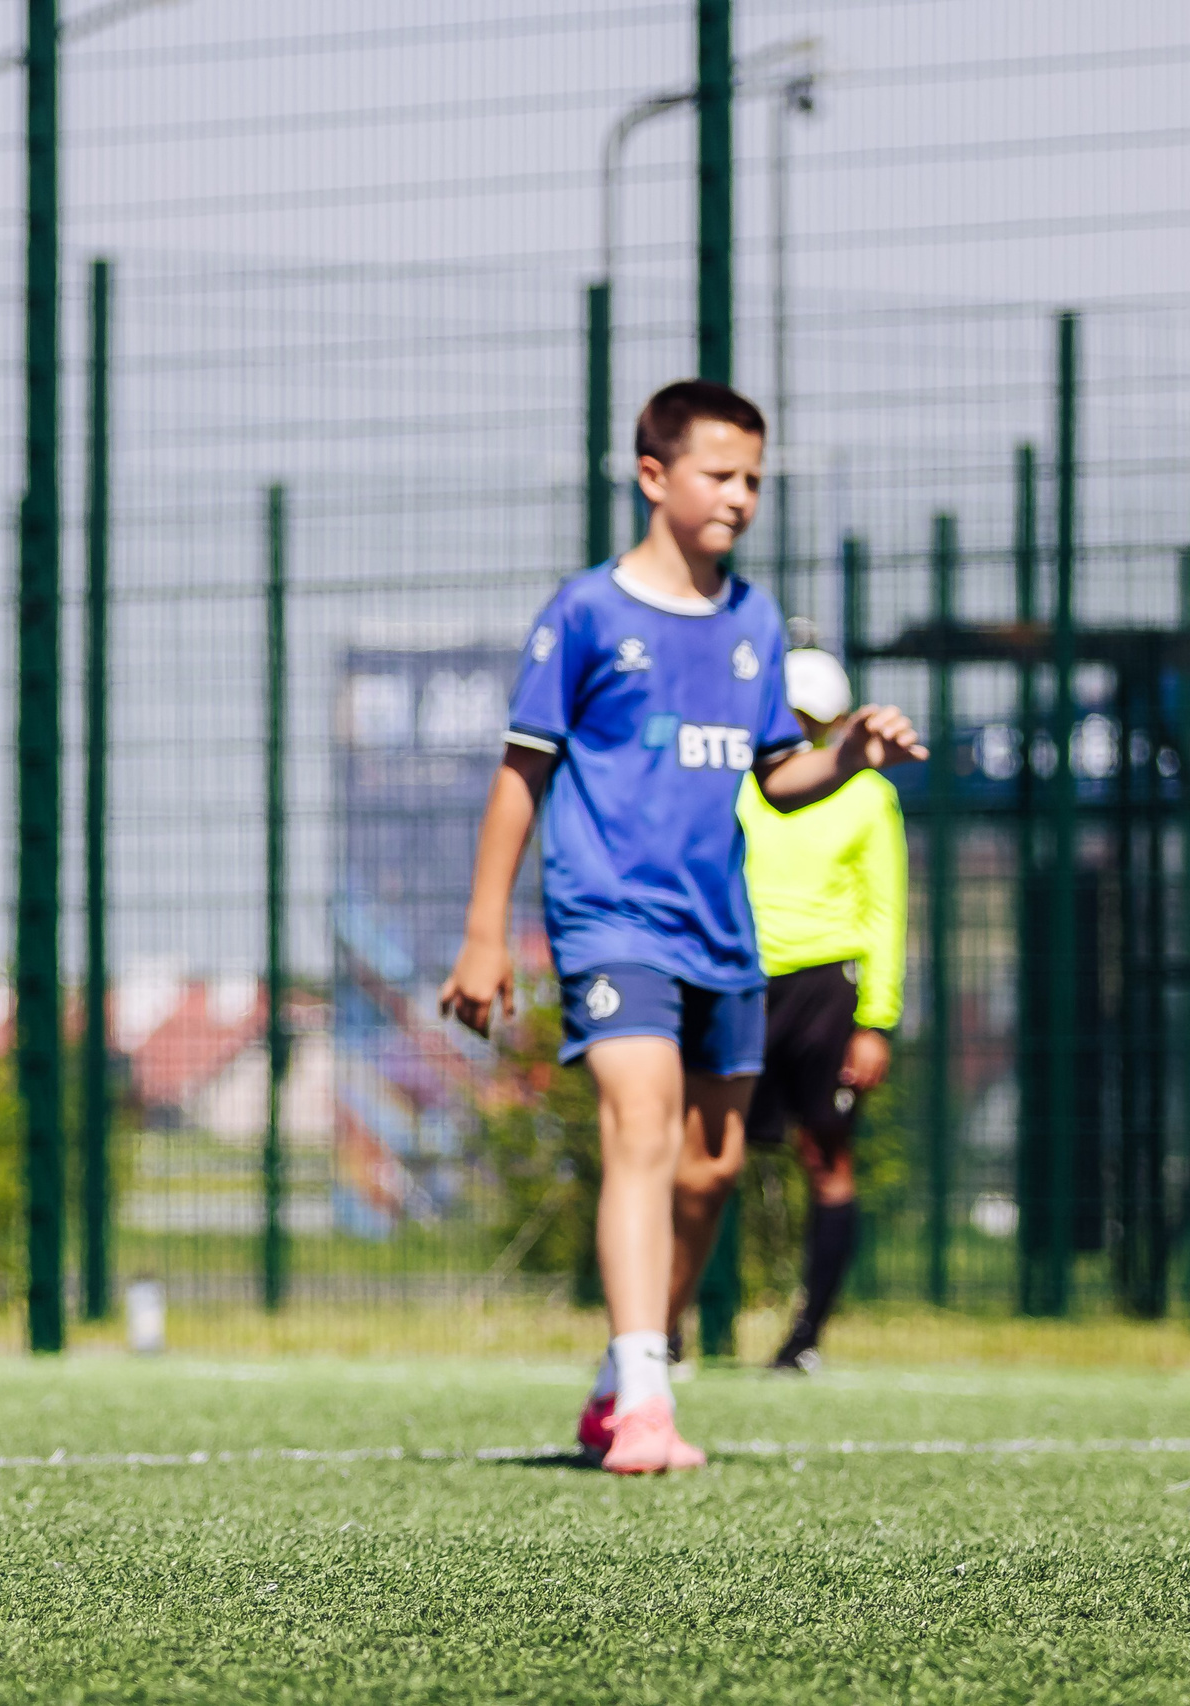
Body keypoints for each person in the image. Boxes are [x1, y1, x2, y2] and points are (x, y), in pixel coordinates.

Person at [439, 380, 924, 1474]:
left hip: (723, 933)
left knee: (707, 1167)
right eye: (720, 473)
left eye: (754, 477)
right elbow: (523, 772)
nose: (741, 496)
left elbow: (778, 774)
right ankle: (650, 1390)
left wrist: (848, 751)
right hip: (609, 916)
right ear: (653, 476)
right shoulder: (583, 613)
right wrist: (483, 931)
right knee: (640, 1127)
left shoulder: (752, 620)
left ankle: (623, 1370)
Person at [737, 647, 905, 1373]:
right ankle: (664, 1333)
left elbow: (885, 909)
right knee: (702, 1156)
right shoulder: (739, 783)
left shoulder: (867, 792)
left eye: (814, 722)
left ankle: (805, 1338)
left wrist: (875, 1019)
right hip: (740, 981)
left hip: (826, 991)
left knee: (826, 1158)